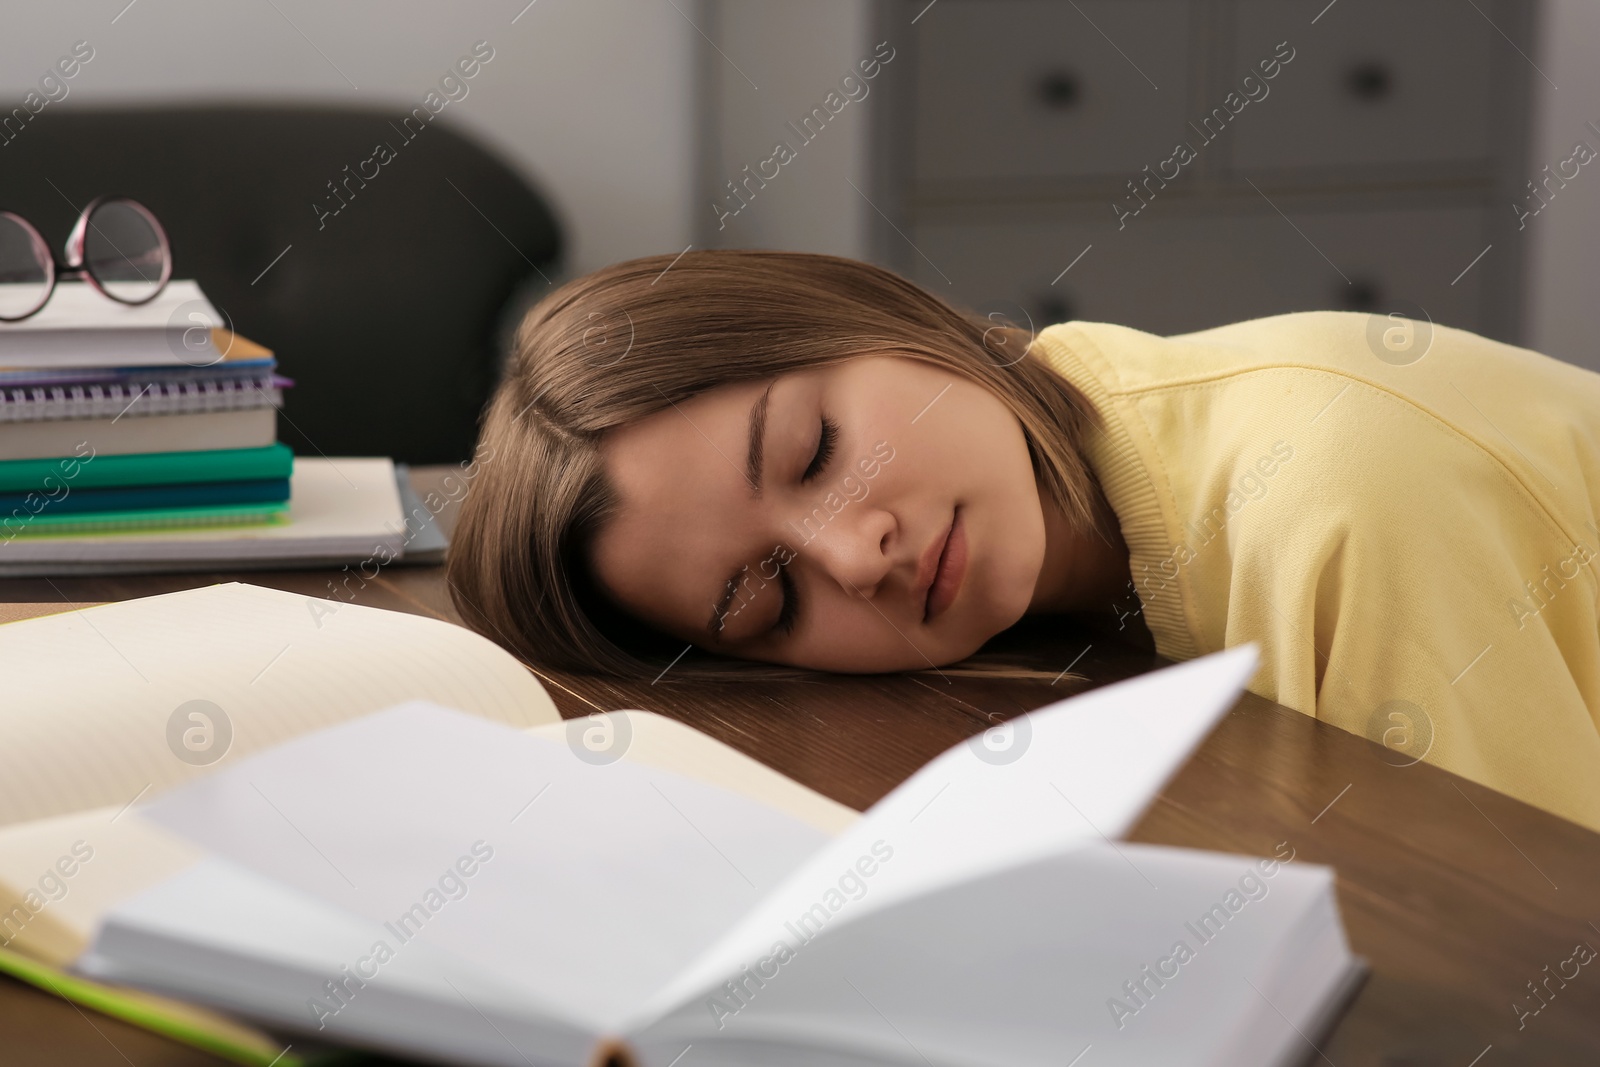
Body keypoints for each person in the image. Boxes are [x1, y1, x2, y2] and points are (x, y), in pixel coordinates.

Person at [447, 249, 1600, 833]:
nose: (856, 558)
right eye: (764, 599)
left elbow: (1531, 978)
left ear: (873, 319)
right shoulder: (1104, 515)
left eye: (811, 453)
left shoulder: (1336, 499)